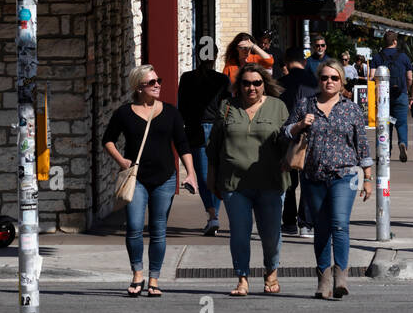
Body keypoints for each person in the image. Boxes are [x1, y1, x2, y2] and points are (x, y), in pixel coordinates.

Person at [103, 65, 197, 297]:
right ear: (138, 87)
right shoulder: (124, 113)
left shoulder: (171, 112)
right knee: (134, 227)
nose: (157, 85)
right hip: (138, 179)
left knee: (158, 230)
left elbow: (183, 144)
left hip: (164, 178)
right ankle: (137, 274)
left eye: (158, 80)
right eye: (151, 82)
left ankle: (154, 278)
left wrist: (191, 173)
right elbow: (108, 140)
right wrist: (121, 161)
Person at [283, 58, 373, 298]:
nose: (329, 82)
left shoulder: (351, 108)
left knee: (340, 224)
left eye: (334, 78)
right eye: (324, 78)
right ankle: (323, 279)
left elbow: (362, 144)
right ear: (318, 80)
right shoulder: (306, 104)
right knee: (321, 228)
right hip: (313, 176)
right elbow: (285, 131)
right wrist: (301, 124)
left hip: (344, 175)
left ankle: (341, 278)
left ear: (341, 81)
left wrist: (368, 176)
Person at [206, 64, 289, 295]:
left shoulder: (278, 107)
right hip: (234, 183)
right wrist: (211, 178)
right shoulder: (227, 107)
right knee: (239, 233)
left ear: (265, 84)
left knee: (271, 234)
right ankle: (242, 278)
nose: (251, 87)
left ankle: (271, 271)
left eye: (256, 83)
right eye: (246, 83)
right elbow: (214, 147)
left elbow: (287, 141)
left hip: (271, 182)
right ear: (238, 85)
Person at [177, 46, 230, 235]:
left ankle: (212, 215)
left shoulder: (188, 78)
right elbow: (227, 106)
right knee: (216, 173)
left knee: (203, 175)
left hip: (196, 129)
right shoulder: (222, 79)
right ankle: (213, 215)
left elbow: (181, 105)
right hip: (216, 128)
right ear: (215, 57)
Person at [278, 53, 317, 236]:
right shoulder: (315, 81)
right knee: (307, 180)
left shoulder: (279, 83)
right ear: (304, 62)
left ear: (287, 63)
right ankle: (306, 222)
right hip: (311, 134)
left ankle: (289, 221)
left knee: (289, 180)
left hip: (287, 134)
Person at [373, 31, 413, 162]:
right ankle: (402, 144)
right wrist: (407, 91)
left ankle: (384, 151)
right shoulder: (404, 57)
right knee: (401, 123)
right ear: (395, 41)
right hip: (400, 94)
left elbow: (372, 77)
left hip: (383, 96)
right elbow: (409, 77)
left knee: (385, 124)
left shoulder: (377, 57)